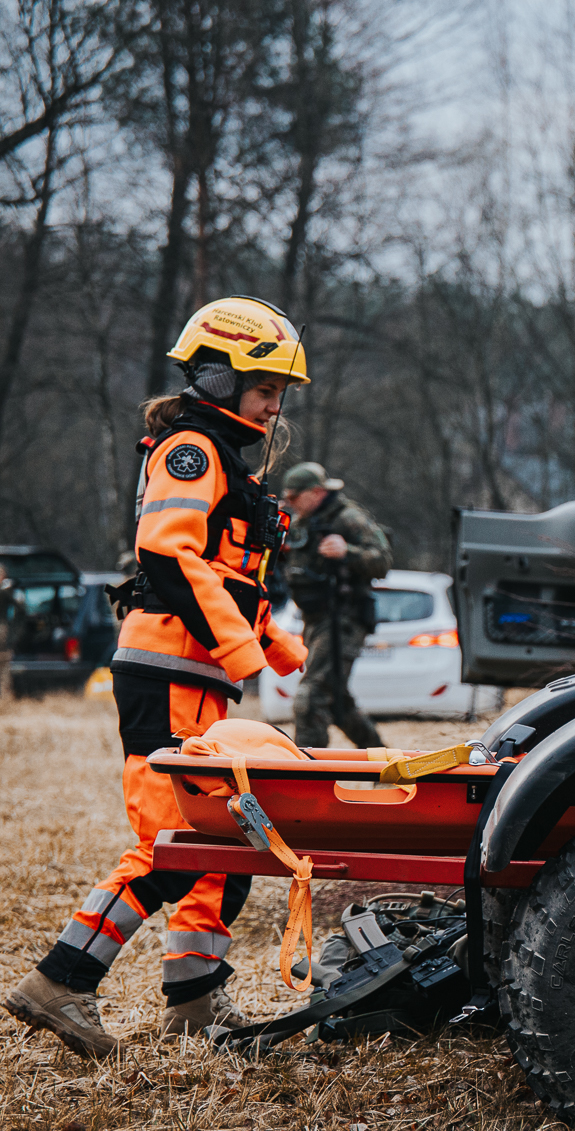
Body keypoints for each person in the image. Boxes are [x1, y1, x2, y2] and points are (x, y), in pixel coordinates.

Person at [5, 296, 309, 1057]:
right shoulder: (192, 452)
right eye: (265, 388)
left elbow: (226, 575)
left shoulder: (228, 462)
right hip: (166, 670)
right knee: (171, 842)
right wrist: (244, 652)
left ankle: (193, 999)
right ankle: (61, 982)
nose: (274, 407)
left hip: (198, 673)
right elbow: (170, 559)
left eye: (280, 394)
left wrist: (275, 646)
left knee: (222, 839)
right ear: (216, 376)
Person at [282, 462, 391, 750]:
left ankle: (306, 778)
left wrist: (348, 552)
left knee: (311, 697)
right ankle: (387, 762)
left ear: (316, 492)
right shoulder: (300, 524)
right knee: (338, 703)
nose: (290, 503)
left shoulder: (349, 518)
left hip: (343, 619)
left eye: (295, 497)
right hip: (314, 620)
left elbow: (382, 560)